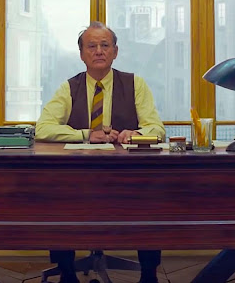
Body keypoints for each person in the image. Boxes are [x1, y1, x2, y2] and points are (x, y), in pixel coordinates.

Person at [36, 21, 165, 283]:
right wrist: (86, 134)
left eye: (105, 45)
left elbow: (157, 128)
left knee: (151, 201)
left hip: (127, 175)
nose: (98, 51)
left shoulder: (135, 84)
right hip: (78, 175)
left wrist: (137, 134)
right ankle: (67, 273)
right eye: (91, 46)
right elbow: (43, 128)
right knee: (57, 201)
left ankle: (149, 274)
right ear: (82, 54)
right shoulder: (69, 88)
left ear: (115, 52)